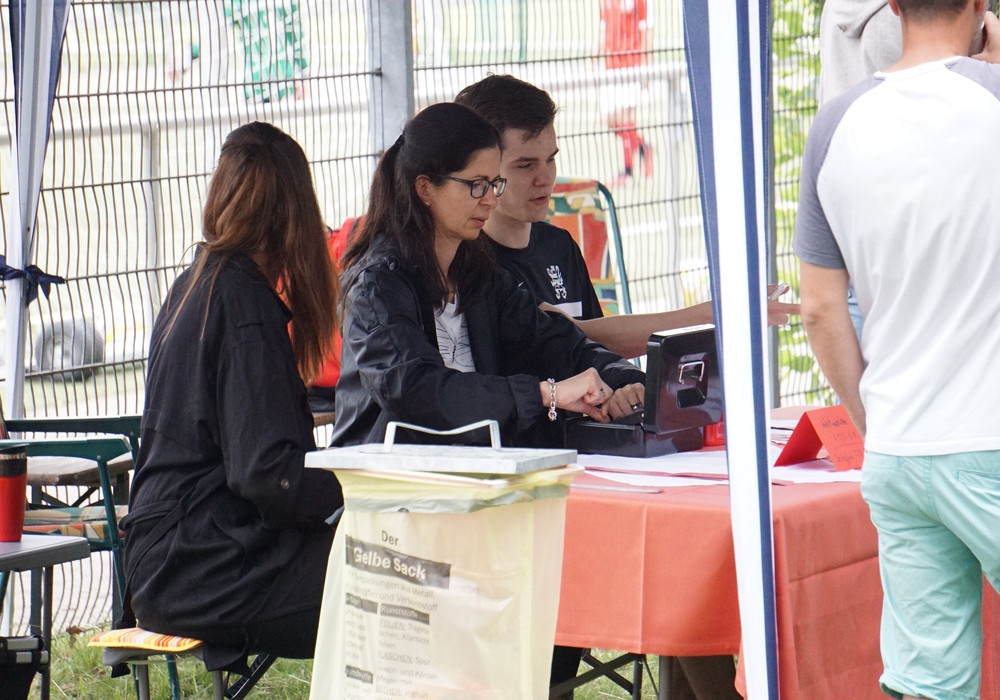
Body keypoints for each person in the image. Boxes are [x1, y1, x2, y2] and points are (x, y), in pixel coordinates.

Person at [795, 3, 1000, 698]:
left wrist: (877, 423)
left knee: (928, 684)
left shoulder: (835, 124)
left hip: (900, 450)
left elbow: (820, 308)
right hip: (988, 438)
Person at [121, 122, 344, 671]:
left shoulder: (195, 282)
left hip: (170, 557)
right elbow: (268, 474)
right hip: (202, 568)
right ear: (297, 215)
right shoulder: (244, 303)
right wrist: (356, 488)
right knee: (394, 575)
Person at [331, 102, 645, 453]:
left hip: (476, 472)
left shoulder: (480, 276)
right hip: (390, 478)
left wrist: (626, 381)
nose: (491, 201)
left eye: (495, 184)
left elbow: (558, 343)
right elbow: (416, 389)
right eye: (477, 185)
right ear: (425, 188)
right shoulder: (377, 285)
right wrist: (545, 394)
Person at [454, 74, 798, 361]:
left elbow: (596, 355)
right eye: (525, 165)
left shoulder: (558, 245)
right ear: (482, 169)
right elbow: (579, 337)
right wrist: (714, 314)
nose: (545, 178)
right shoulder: (469, 262)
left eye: (551, 159)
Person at [599, 0, 653, 184]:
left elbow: (646, 31)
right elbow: (603, 28)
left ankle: (628, 171)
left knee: (625, 120)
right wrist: (593, 57)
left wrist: (645, 68)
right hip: (610, 67)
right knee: (611, 122)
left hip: (631, 66)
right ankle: (643, 147)